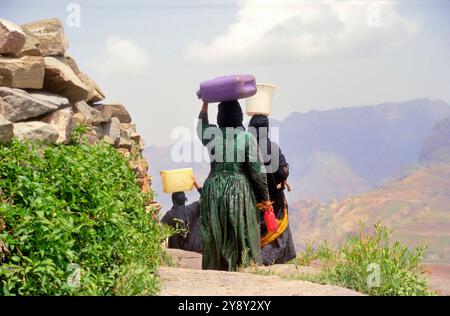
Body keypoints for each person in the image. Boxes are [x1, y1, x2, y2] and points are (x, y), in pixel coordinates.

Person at [197, 100, 271, 271]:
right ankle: (241, 268)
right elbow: (257, 172)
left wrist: (205, 103)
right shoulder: (246, 138)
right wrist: (265, 198)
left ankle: (215, 268)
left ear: (220, 116)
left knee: (215, 233)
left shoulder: (212, 134)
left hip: (213, 189)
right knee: (240, 231)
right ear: (239, 116)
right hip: (238, 190)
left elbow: (201, 126)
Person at [248, 114, 296, 265]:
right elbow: (282, 172)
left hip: (252, 202)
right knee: (276, 231)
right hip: (273, 202)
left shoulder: (246, 148)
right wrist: (284, 176)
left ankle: (252, 258)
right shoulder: (272, 148)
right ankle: (267, 260)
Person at [161, 181, 202, 253]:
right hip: (197, 252)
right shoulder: (194, 208)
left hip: (178, 254)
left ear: (173, 201)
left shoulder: (169, 215)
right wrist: (195, 184)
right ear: (185, 200)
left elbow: (160, 232)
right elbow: (207, 197)